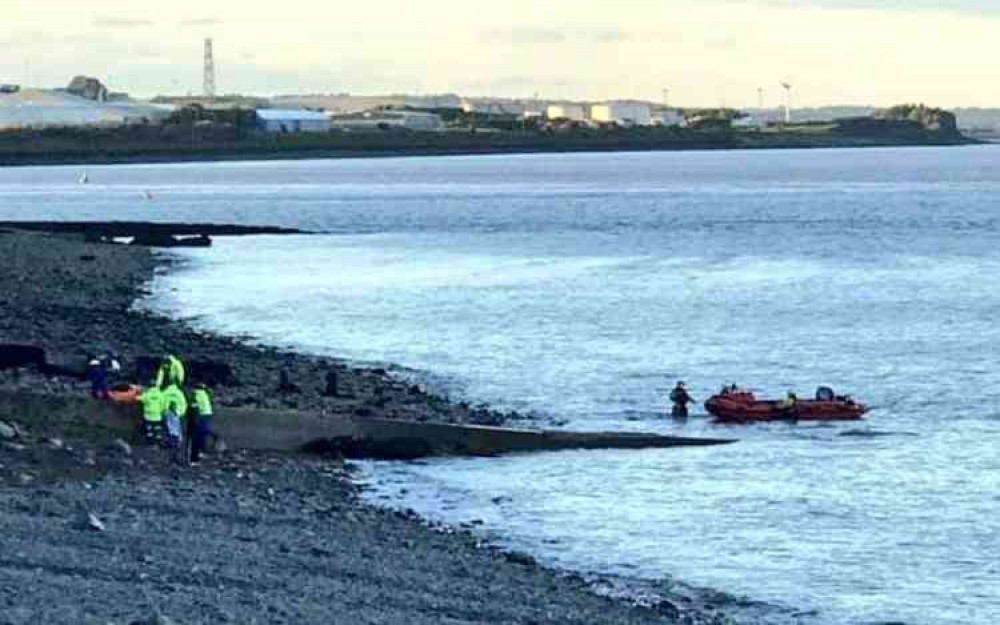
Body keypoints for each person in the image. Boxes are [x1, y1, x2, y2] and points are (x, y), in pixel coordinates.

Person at [162, 383, 189, 464]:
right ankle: (176, 444)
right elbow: (184, 404)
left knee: (170, 428)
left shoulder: (166, 392)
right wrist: (180, 412)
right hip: (176, 413)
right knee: (176, 429)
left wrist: (163, 411)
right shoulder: (179, 393)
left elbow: (162, 401)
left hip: (168, 413)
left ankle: (172, 444)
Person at [190, 383, 216, 465]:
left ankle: (196, 456)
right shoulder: (205, 394)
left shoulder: (195, 395)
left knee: (198, 435)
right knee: (203, 433)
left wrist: (194, 419)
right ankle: (202, 451)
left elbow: (194, 407)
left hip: (201, 415)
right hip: (208, 414)